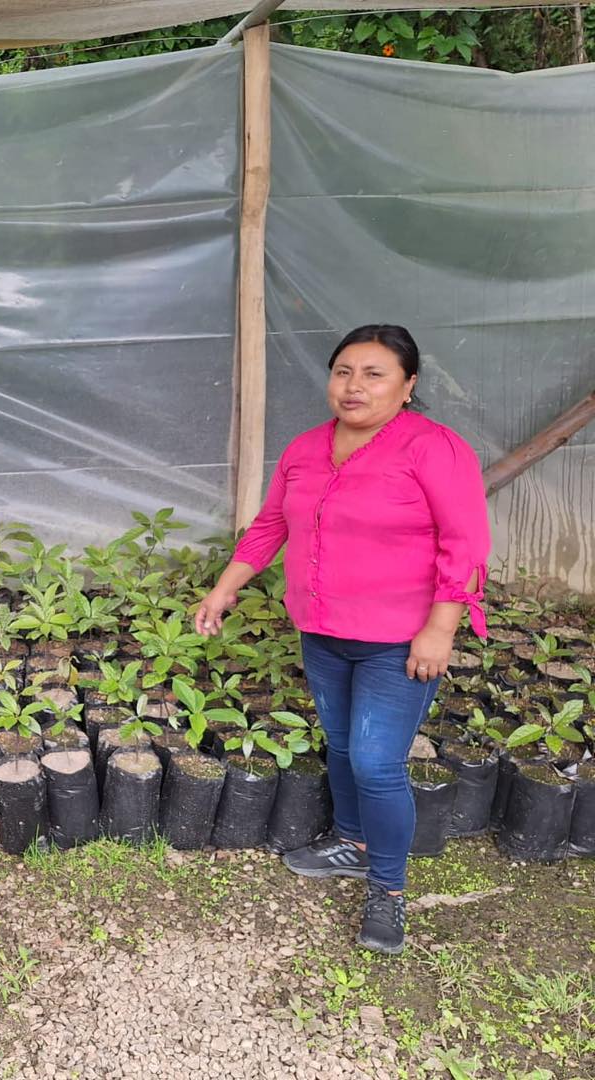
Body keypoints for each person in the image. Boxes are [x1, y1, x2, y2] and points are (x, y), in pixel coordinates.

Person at [195, 324, 489, 955]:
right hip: (323, 630)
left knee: (378, 763)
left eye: (374, 374)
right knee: (344, 747)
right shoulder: (306, 448)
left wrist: (441, 629)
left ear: (408, 385)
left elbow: (464, 546)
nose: (354, 386)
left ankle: (388, 888)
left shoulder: (435, 448)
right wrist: (223, 589)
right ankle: (353, 843)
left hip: (399, 639)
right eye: (343, 371)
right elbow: (270, 524)